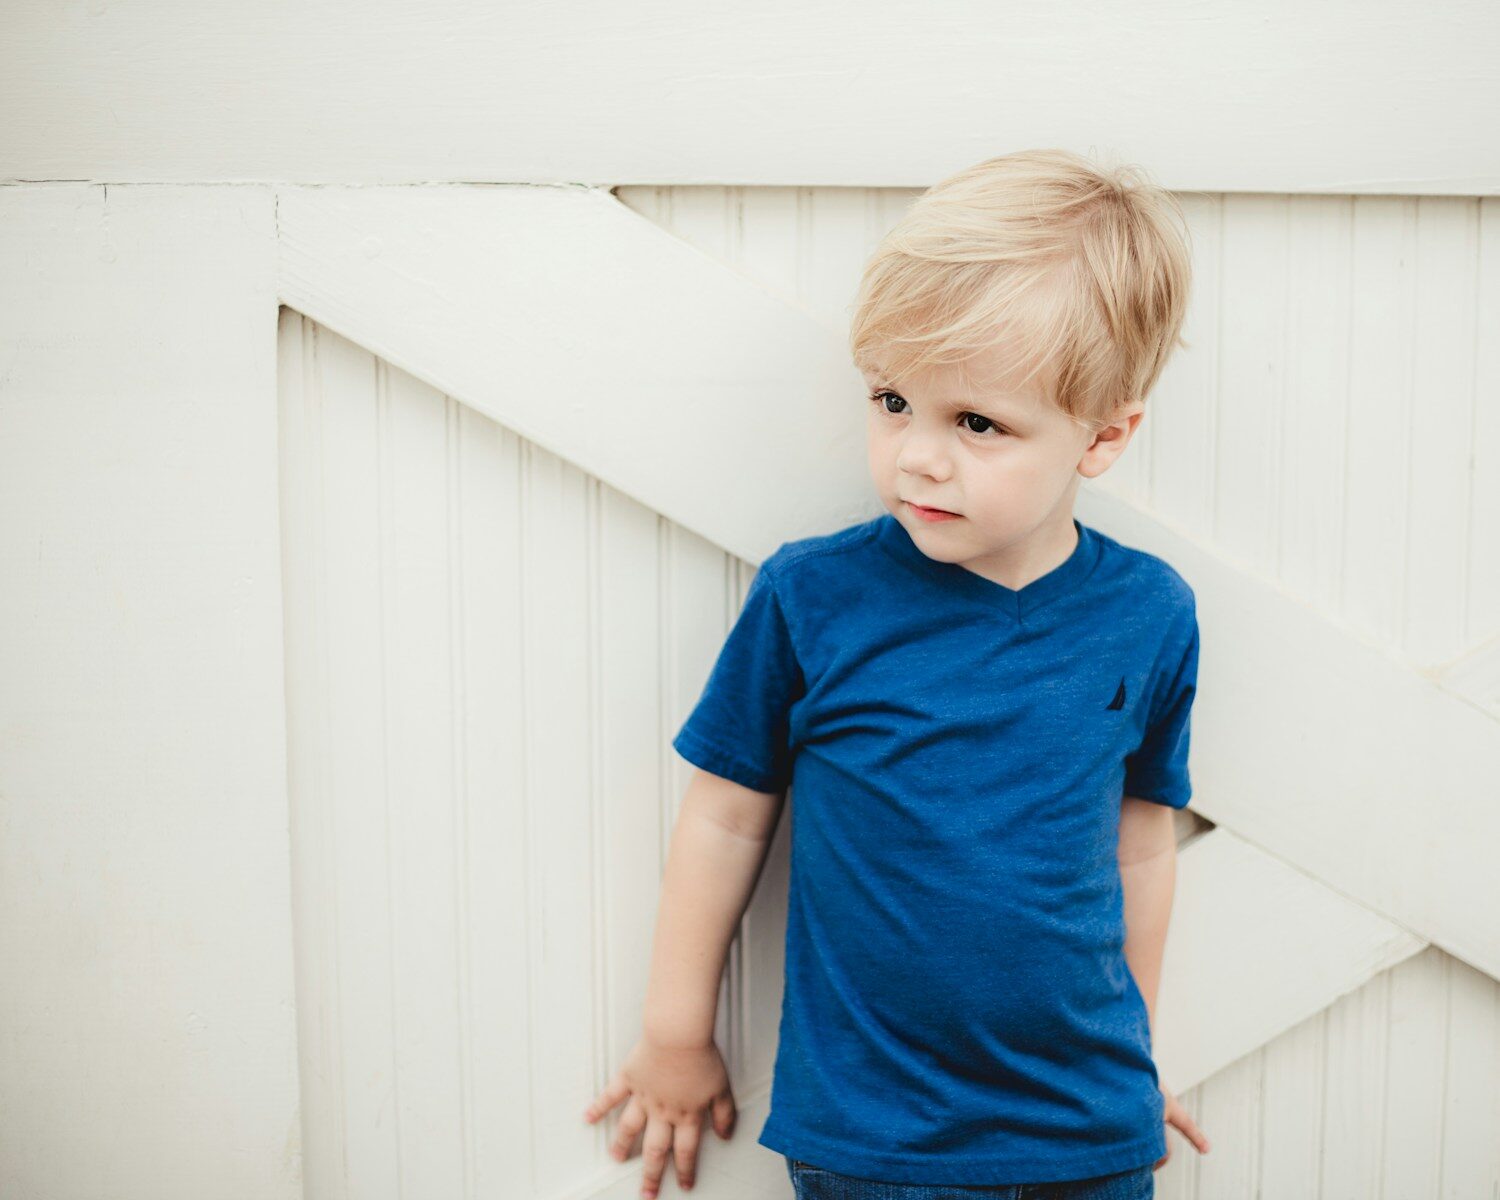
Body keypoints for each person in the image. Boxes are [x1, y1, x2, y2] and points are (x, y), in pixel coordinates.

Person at [584, 148, 1212, 1200]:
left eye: (977, 423)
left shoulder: (1149, 615)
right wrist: (674, 1033)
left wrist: (1137, 1055)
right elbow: (726, 820)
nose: (917, 455)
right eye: (891, 400)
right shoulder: (814, 598)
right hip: (873, 1140)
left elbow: (1142, 844)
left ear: (1104, 437)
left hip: (1088, 1134)